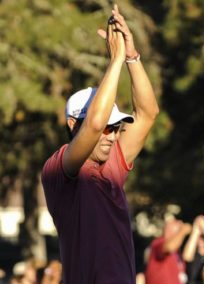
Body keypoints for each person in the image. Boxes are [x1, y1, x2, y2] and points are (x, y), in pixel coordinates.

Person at [41, 4, 159, 283]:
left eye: (116, 127)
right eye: (108, 127)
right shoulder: (58, 168)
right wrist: (114, 61)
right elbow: (94, 125)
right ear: (72, 124)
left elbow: (147, 114)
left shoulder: (114, 162)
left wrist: (131, 57)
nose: (112, 135)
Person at [145, 217, 192, 284]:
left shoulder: (177, 251)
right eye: (176, 222)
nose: (180, 222)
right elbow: (169, 247)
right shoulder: (159, 242)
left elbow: (188, 257)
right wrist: (183, 230)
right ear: (168, 228)